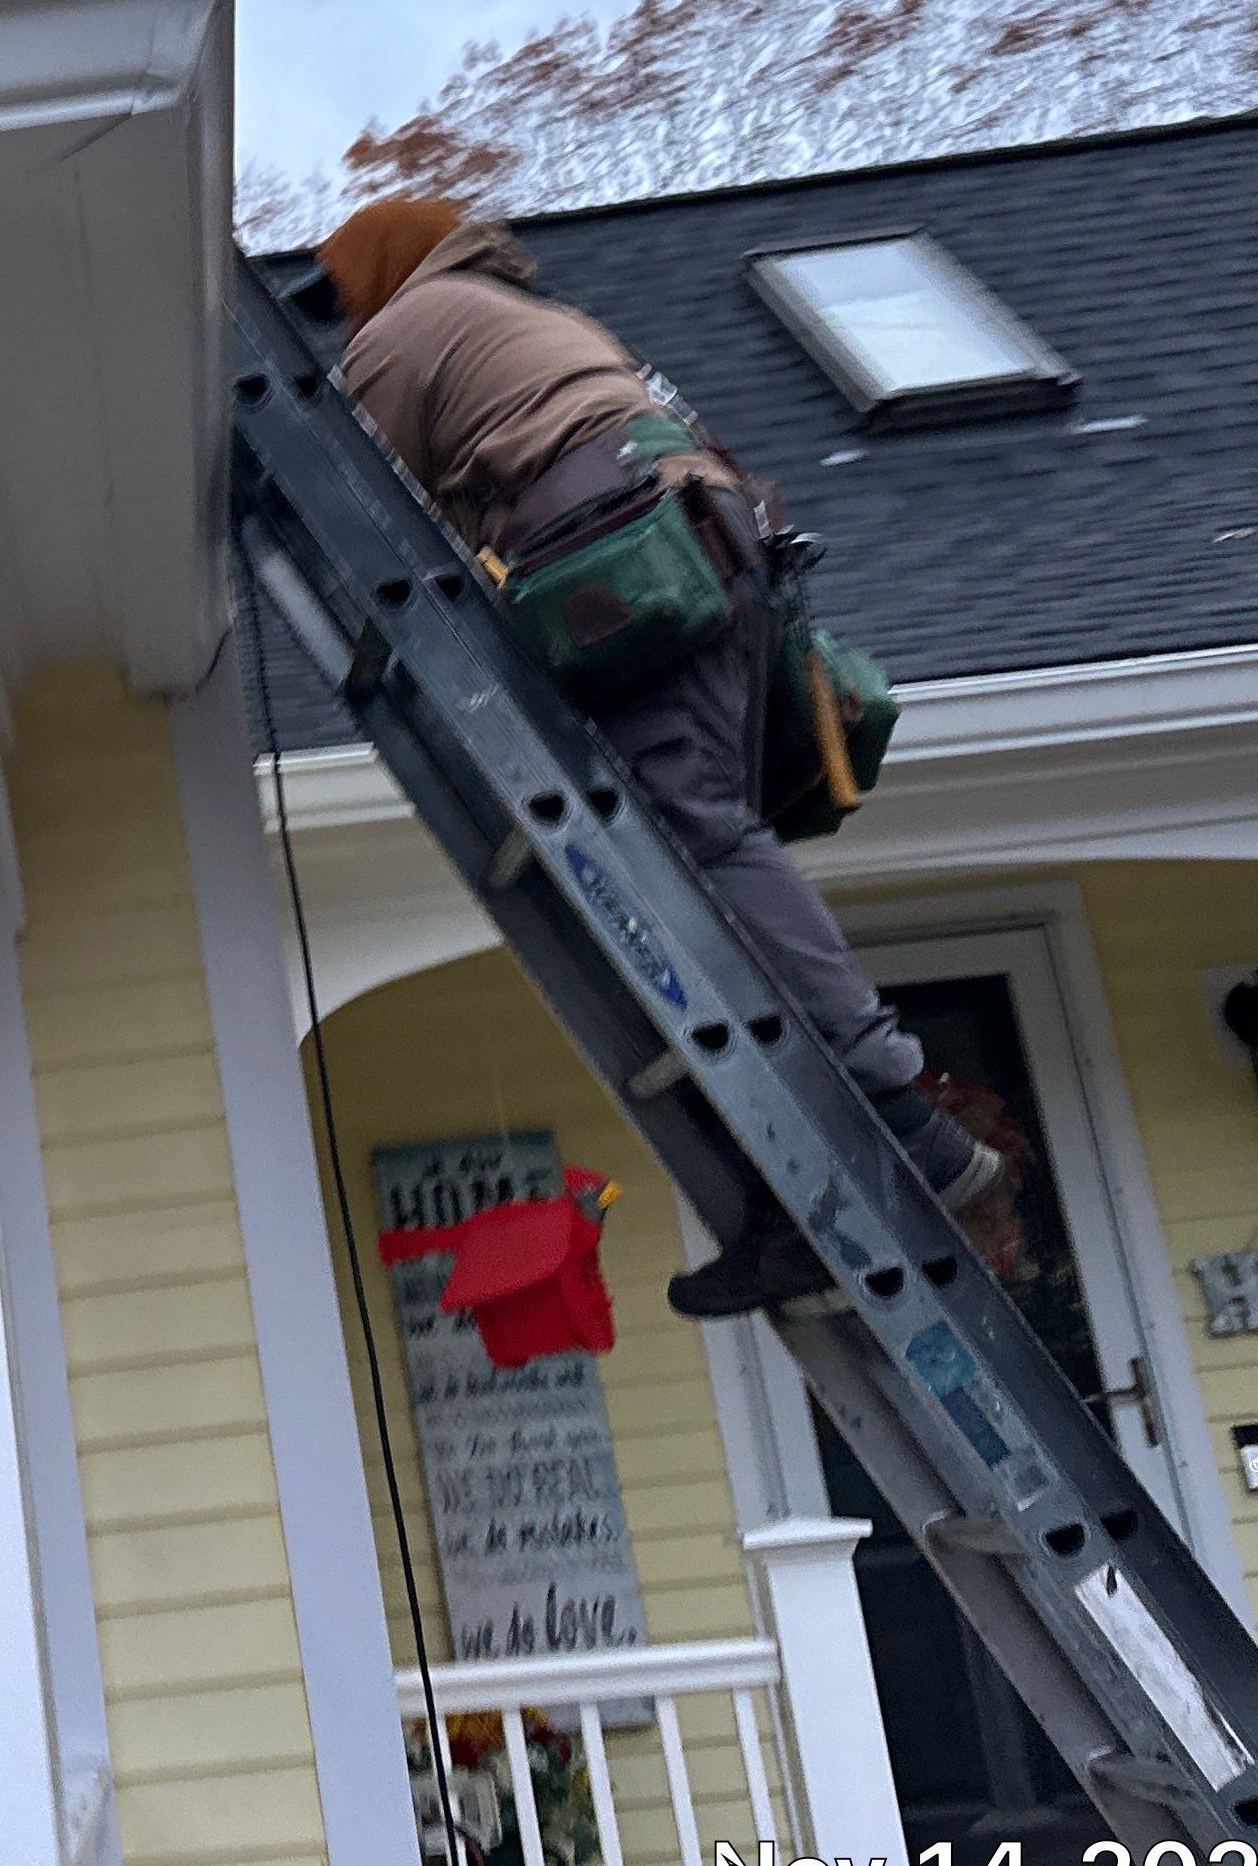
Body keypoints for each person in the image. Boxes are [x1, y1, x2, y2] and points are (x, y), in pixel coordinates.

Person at [311, 193, 1009, 1317]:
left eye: (344, 293)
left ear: (383, 268)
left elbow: (364, 496)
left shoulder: (411, 323)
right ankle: (804, 1209)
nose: (342, 321)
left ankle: (910, 1132)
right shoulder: (517, 314)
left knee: (699, 847)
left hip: (641, 575)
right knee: (684, 877)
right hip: (699, 563)